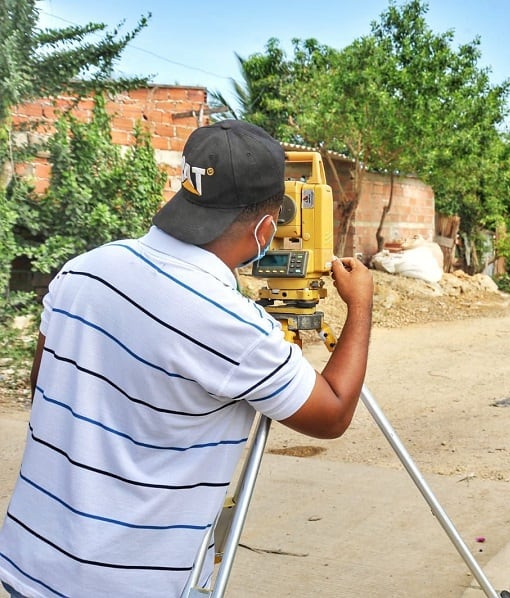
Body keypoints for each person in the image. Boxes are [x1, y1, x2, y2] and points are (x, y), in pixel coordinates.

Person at [0, 120, 373, 597]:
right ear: (265, 226)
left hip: (27, 563)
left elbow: (47, 385)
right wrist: (361, 304)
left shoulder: (84, 270)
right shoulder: (231, 326)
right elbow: (334, 411)